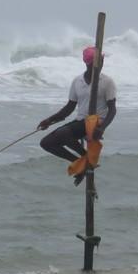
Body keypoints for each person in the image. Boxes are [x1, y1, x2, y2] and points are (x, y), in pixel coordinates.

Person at [38, 46, 117, 185]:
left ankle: (86, 159)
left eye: (102, 59)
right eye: (99, 59)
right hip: (81, 122)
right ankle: (82, 163)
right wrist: (49, 121)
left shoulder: (107, 81)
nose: (102, 62)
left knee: (64, 133)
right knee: (46, 143)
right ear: (89, 63)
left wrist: (102, 128)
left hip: (96, 122)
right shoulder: (77, 81)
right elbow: (69, 108)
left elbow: (112, 110)